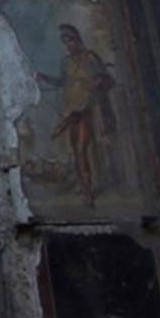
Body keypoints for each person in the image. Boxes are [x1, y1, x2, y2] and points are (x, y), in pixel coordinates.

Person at [36, 24, 118, 206]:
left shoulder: (90, 58)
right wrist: (42, 77)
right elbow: (62, 82)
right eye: (65, 42)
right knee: (77, 150)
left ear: (77, 39)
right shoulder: (66, 62)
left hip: (90, 108)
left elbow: (104, 78)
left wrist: (94, 84)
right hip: (73, 110)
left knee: (82, 148)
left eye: (70, 40)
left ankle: (88, 190)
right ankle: (84, 186)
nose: (68, 45)